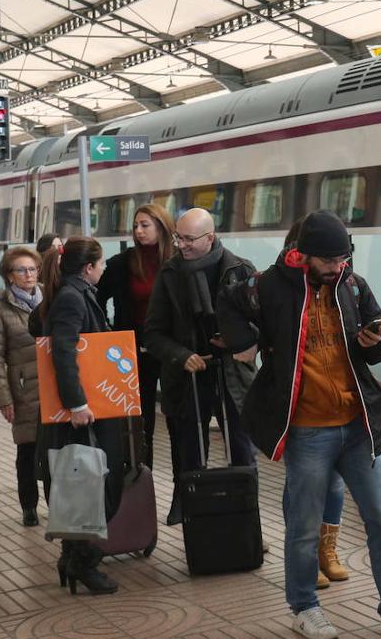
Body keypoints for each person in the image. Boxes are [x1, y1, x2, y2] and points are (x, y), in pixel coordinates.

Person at [219, 210, 381, 639]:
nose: (338, 268)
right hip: (308, 430)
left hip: (358, 425)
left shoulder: (351, 285)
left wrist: (378, 340)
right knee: (303, 526)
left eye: (343, 259)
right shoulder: (271, 285)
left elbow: (379, 341)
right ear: (304, 256)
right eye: (330, 261)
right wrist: (245, 343)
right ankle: (304, 606)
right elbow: (228, 301)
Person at [143, 207, 254, 524]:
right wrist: (181, 356)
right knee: (189, 448)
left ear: (210, 237)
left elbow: (262, 325)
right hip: (186, 377)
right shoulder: (170, 273)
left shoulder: (239, 270)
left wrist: (236, 339)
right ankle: (193, 514)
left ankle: (245, 518)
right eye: (179, 237)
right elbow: (153, 332)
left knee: (241, 450)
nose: (182, 245)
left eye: (189, 239)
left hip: (232, 375)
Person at [33, 236, 124, 596]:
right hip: (86, 410)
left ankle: (72, 558)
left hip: (90, 405)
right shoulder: (72, 298)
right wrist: (76, 403)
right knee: (98, 486)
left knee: (82, 485)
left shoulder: (70, 292)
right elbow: (63, 352)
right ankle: (83, 563)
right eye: (100, 264)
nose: (103, 270)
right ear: (88, 268)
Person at [281, 218, 350, 590]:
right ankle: (305, 567)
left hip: (340, 409)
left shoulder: (343, 284)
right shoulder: (282, 288)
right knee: (300, 491)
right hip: (303, 411)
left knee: (335, 487)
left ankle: (328, 552)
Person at [96, 204, 174, 469]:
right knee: (140, 421)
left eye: (145, 225)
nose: (138, 231)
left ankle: (181, 490)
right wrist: (110, 334)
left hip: (171, 350)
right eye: (136, 226)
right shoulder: (122, 264)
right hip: (133, 352)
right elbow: (96, 299)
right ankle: (142, 476)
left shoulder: (176, 262)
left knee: (176, 418)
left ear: (162, 227)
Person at [0, 247, 45, 526]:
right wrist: (3, 399)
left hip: (54, 386)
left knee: (56, 449)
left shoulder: (51, 297)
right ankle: (29, 506)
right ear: (9, 276)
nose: (29, 275)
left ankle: (57, 503)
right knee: (28, 449)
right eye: (21, 270)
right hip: (24, 389)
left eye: (32, 269)